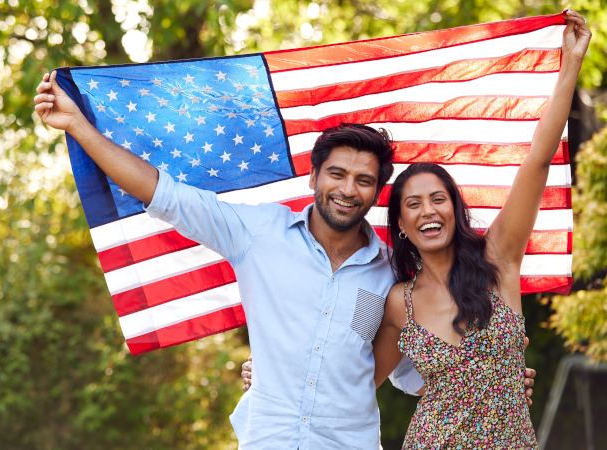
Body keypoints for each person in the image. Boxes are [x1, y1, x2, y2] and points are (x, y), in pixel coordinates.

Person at [33, 21, 540, 448]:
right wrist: (79, 127)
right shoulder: (257, 232)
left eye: (363, 180)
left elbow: (410, 362)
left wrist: (492, 374)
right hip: (268, 437)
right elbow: (164, 192)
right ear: (315, 178)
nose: (348, 189)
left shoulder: (393, 273)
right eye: (337, 175)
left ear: (376, 193)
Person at [241, 8, 589, 450]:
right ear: (401, 224)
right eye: (414, 204)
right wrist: (271, 372)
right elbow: (350, 381)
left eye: (438, 199)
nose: (429, 211)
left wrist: (571, 64)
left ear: (455, 209)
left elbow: (538, 160)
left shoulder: (499, 260)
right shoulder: (397, 301)